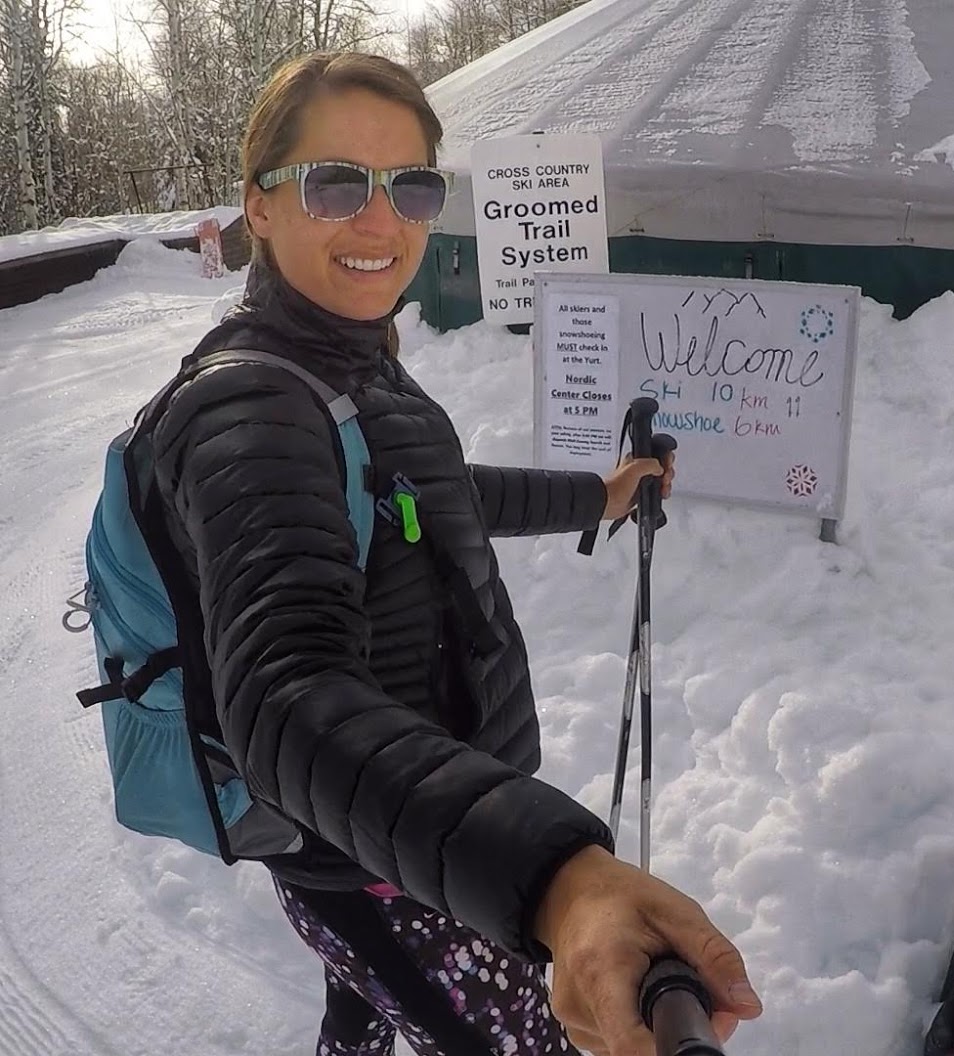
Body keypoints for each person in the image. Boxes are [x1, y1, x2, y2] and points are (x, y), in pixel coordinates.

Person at [147, 51, 762, 1056]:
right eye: (336, 183)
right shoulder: (251, 406)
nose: (383, 223)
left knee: (362, 1005)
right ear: (258, 206)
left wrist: (595, 495)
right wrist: (558, 881)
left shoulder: (346, 361)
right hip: (388, 868)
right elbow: (286, 694)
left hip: (407, 839)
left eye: (413, 187)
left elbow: (431, 496)